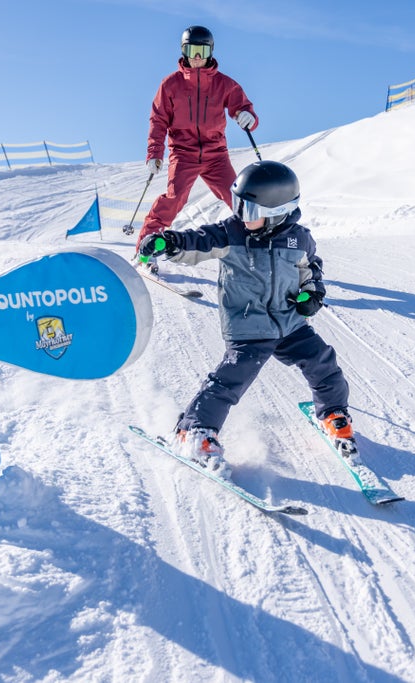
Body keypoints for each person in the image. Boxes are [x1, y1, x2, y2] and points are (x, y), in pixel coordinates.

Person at [138, 160, 354, 478]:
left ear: (279, 211)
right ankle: (194, 431)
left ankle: (333, 413)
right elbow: (195, 241)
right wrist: (167, 242)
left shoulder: (299, 239)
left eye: (249, 210)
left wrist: (311, 296)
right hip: (248, 326)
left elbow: (311, 270)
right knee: (230, 380)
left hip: (289, 323)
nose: (241, 215)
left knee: (324, 363)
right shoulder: (232, 232)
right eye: (238, 205)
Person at [136, 25, 259, 271]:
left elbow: (243, 108)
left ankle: (261, 245)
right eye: (192, 50)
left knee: (237, 198)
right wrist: (154, 154)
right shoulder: (170, 84)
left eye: (202, 50)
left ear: (210, 51)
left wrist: (247, 117)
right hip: (183, 153)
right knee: (173, 198)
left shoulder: (225, 84)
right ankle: (145, 249)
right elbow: (158, 120)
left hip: (216, 155)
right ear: (184, 51)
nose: (197, 56)